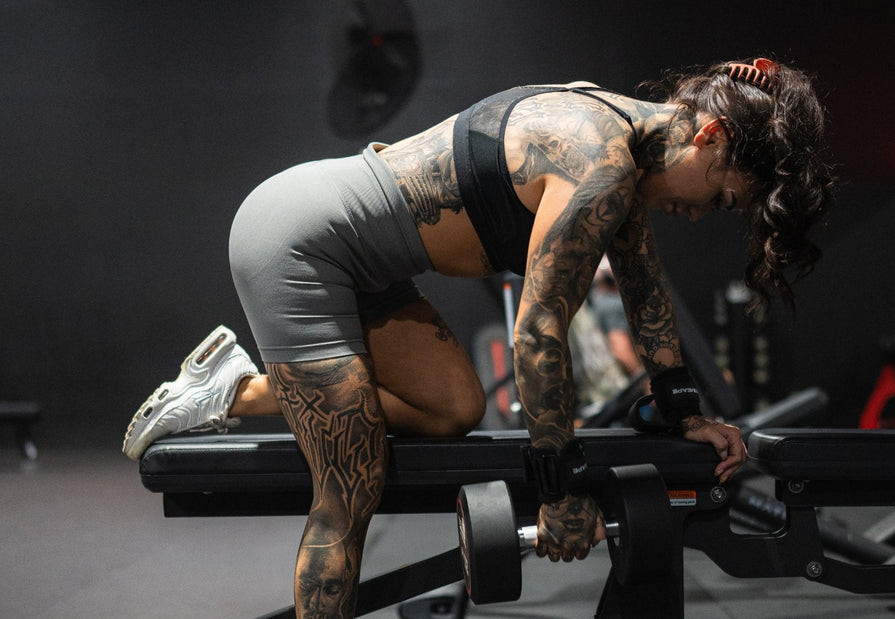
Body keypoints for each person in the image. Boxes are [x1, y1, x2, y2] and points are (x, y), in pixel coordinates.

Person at [123, 57, 834, 618]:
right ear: (708, 135)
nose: (705, 212)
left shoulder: (628, 138)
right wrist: (558, 488)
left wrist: (688, 412)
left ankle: (237, 389)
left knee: (453, 410)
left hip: (366, 262)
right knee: (350, 486)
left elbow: (644, 285)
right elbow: (538, 329)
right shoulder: (602, 160)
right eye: (722, 195)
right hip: (299, 240)